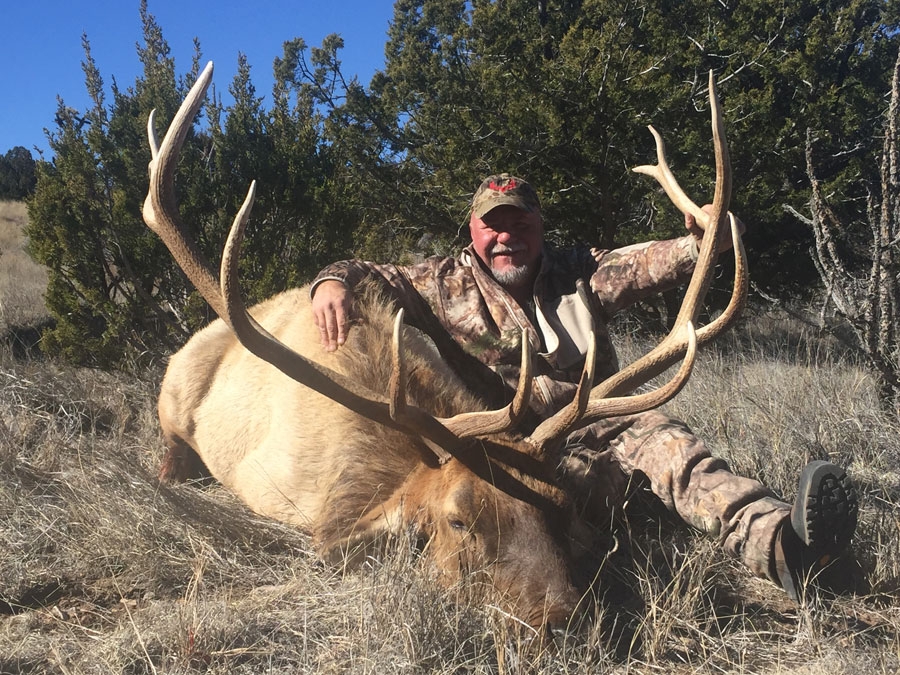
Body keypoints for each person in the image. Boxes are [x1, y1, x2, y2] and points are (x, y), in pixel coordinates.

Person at [309, 173, 859, 601]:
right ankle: (628, 527)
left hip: (606, 416)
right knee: (568, 503)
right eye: (493, 225)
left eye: (520, 224)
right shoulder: (438, 282)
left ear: (539, 226)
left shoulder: (580, 270)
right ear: (473, 230)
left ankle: (784, 547)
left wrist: (702, 239)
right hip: (523, 449)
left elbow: (649, 262)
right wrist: (331, 282)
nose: (507, 236)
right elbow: (364, 270)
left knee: (677, 453)